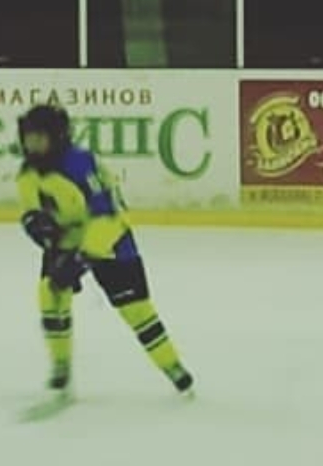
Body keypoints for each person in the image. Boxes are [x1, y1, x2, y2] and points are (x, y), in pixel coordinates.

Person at [17, 103, 194, 402]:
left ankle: (172, 365)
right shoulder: (27, 173)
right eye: (28, 137)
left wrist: (81, 259)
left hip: (111, 239)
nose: (31, 144)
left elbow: (108, 216)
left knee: (136, 310)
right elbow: (31, 209)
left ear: (57, 136)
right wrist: (38, 229)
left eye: (38, 137)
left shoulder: (80, 163)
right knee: (50, 293)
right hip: (69, 239)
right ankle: (61, 366)